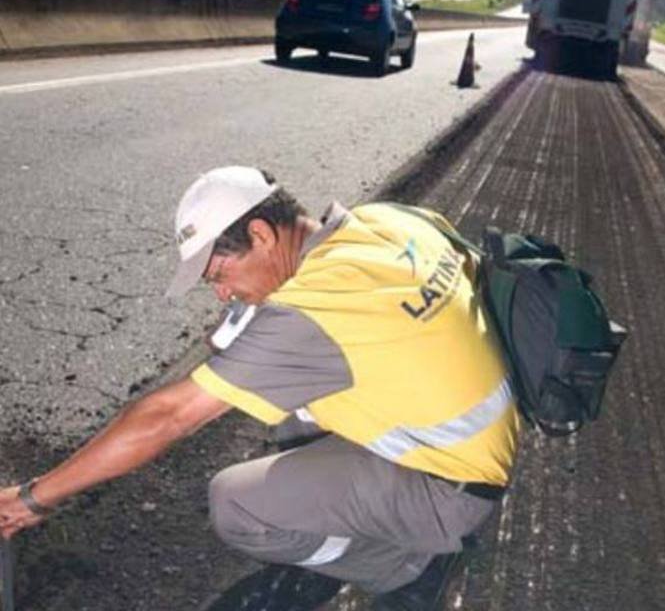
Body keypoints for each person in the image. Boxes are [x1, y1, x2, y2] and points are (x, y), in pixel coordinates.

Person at [0, 166, 521, 610]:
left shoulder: (310, 312)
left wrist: (32, 499)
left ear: (262, 236)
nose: (223, 292)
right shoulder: (384, 220)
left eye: (219, 274)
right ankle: (375, 518)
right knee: (290, 409)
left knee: (235, 504)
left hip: (449, 487)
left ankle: (407, 568)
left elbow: (168, 417)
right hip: (484, 428)